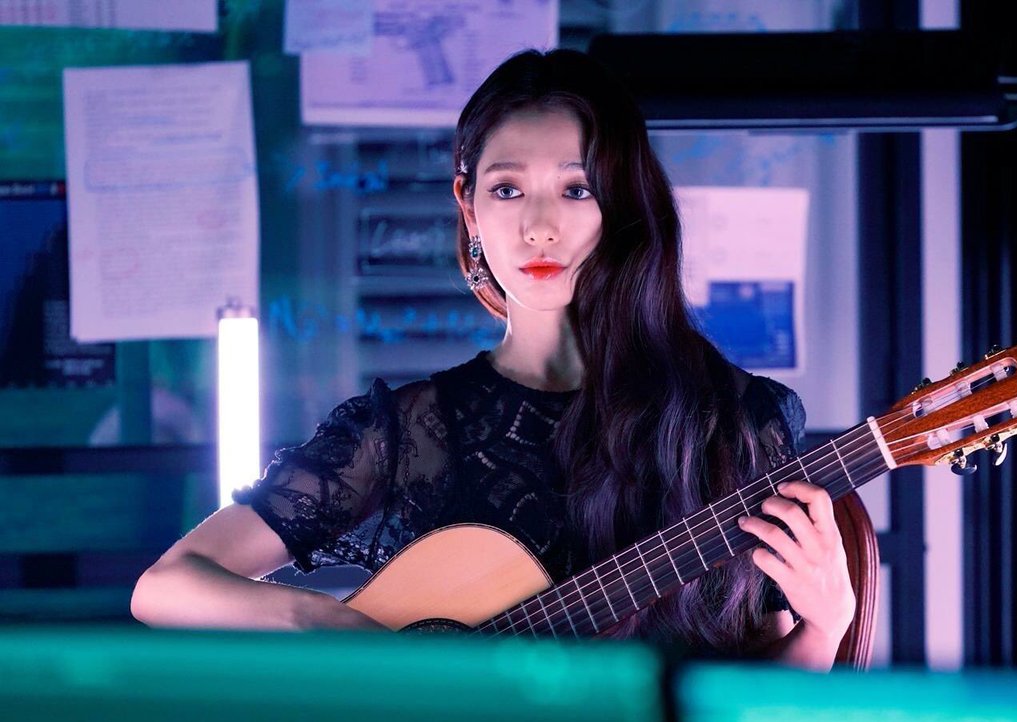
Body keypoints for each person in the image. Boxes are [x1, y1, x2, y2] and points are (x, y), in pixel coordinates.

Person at [130, 48, 855, 671]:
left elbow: (765, 683)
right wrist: (331, 623)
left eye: (576, 189)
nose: (539, 227)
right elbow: (165, 585)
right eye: (507, 189)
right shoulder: (405, 432)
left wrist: (826, 627)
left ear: (623, 207)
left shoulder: (736, 420)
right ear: (470, 208)